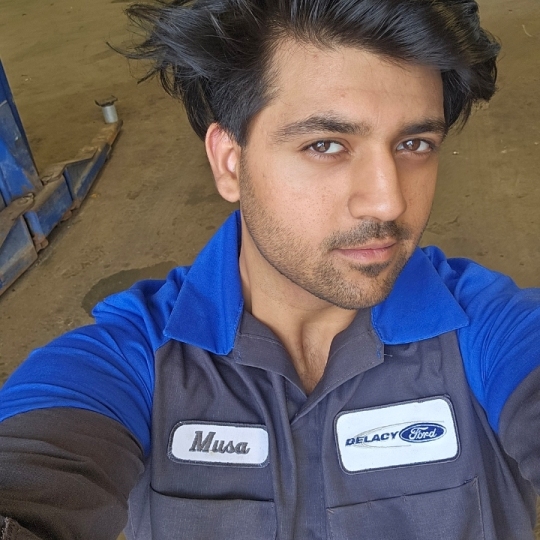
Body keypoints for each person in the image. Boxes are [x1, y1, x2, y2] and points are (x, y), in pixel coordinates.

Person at [1, 0, 539, 538]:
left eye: (414, 144)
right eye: (325, 145)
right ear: (229, 161)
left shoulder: (491, 331)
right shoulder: (134, 360)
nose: (388, 201)